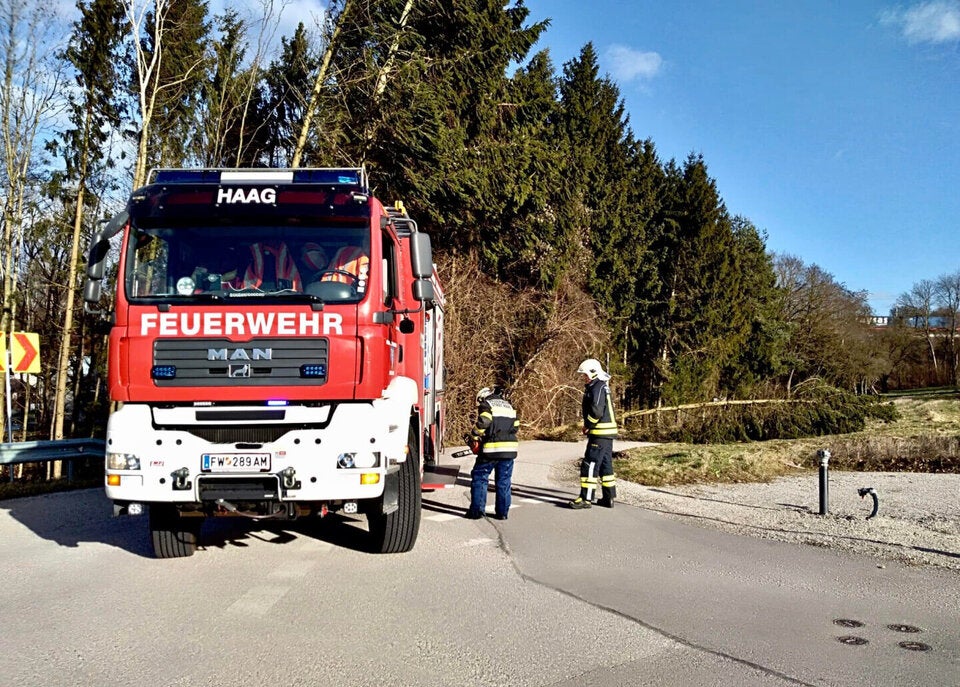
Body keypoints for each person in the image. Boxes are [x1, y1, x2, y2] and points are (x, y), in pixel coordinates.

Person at [464, 386, 519, 520]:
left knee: (480, 478)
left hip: (491, 450)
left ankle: (477, 512)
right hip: (509, 450)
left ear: (482, 397)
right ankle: (502, 513)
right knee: (504, 482)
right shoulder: (509, 406)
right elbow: (516, 426)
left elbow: (484, 422)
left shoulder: (486, 405)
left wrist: (475, 435)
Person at [570, 358, 619, 509]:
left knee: (589, 464)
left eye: (585, 375)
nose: (583, 378)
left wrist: (588, 425)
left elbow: (596, 411)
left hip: (599, 432)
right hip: (607, 434)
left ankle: (586, 498)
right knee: (606, 466)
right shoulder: (602, 386)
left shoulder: (596, 386)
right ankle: (608, 497)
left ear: (593, 373)